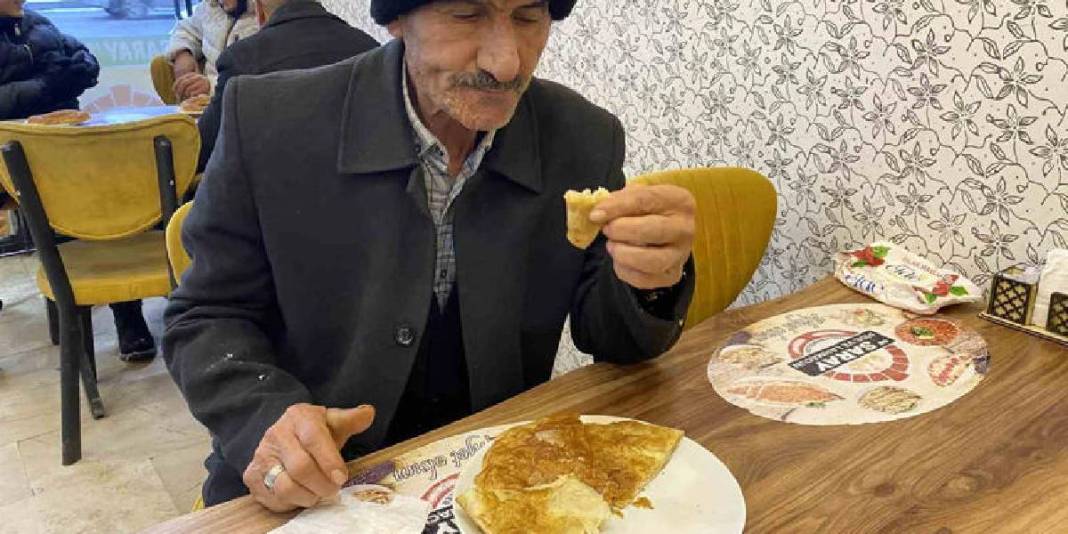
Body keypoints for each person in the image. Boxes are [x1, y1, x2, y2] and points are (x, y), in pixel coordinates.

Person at [163, 0, 697, 509]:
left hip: (494, 478)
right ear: (397, 19)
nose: (505, 61)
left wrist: (651, 280)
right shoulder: (267, 121)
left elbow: (613, 340)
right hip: (315, 488)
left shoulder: (583, 137)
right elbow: (207, 315)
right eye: (466, 14)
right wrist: (266, 418)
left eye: (529, 16)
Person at [0, 0, 156, 360]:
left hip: (60, 150)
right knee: (65, 190)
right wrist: (43, 86)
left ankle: (126, 312)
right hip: (8, 154)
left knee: (103, 187)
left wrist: (84, 66)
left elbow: (80, 54)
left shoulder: (38, 24)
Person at [196, 0, 379, 171]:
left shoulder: (241, 60)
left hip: (271, 199)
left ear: (259, 11)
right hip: (367, 198)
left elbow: (201, 149)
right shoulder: (372, 50)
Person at [0, 0, 97, 119]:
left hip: (64, 127)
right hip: (12, 133)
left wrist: (85, 66)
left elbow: (75, 49)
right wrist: (47, 86)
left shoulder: (35, 21)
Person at [163, 0, 258, 102]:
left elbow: (263, 81)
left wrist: (211, 87)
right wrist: (182, 53)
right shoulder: (211, 6)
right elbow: (185, 30)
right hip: (207, 102)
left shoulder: (267, 15)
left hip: (242, 105)